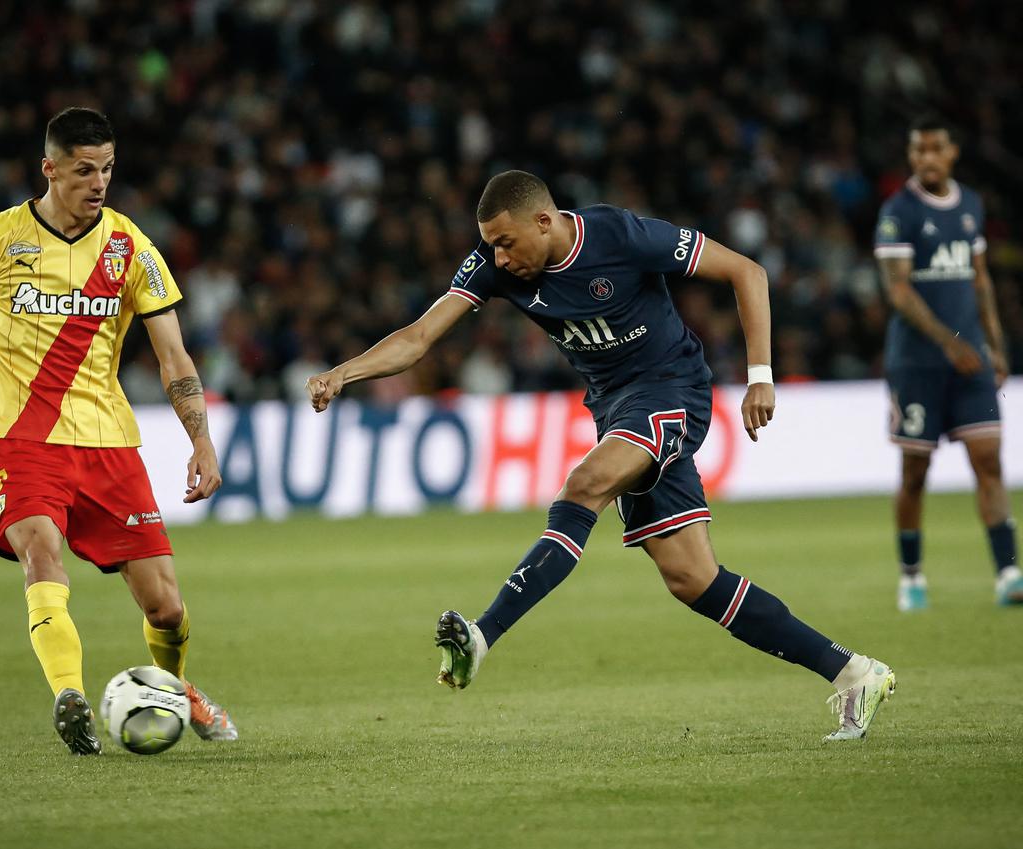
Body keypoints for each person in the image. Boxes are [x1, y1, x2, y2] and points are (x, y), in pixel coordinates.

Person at [307, 170, 895, 741]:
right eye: (491, 245)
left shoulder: (621, 236)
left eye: (507, 243)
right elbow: (418, 336)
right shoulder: (494, 264)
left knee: (582, 486)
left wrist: (762, 375)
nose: (500, 258)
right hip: (616, 412)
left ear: (545, 220)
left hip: (673, 392)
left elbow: (747, 271)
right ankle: (854, 673)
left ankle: (482, 636)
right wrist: (344, 372)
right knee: (694, 579)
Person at [0, 107, 238, 754]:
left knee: (166, 606)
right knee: (39, 551)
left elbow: (174, 356)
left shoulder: (130, 246)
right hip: (22, 443)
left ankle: (173, 689)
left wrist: (200, 439)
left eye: (108, 169)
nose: (99, 182)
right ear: (49, 168)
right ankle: (69, 695)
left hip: (110, 444)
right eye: (84, 169)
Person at [874, 115, 1020, 611]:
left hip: (971, 362)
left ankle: (1008, 574)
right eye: (917, 151)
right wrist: (951, 341)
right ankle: (910, 576)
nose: (926, 159)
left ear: (953, 152)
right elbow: (897, 289)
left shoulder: (971, 204)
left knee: (989, 462)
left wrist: (995, 344)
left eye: (935, 149)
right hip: (917, 365)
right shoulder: (899, 211)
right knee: (916, 471)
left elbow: (980, 280)